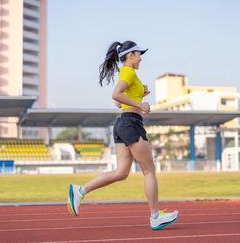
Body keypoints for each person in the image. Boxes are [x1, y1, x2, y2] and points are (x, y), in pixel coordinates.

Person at [68, 40, 179, 230]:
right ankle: (155, 216)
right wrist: (140, 105)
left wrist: (139, 96)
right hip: (131, 124)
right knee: (149, 171)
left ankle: (80, 191)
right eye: (138, 54)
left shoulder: (127, 74)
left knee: (121, 172)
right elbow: (116, 95)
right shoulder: (129, 71)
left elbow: (121, 103)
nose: (141, 58)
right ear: (130, 55)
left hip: (122, 123)